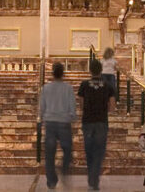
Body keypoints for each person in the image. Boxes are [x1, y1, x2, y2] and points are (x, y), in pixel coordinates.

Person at [77, 58, 116, 191]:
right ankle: (95, 180)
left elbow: (81, 105)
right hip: (101, 122)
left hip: (87, 121)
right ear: (101, 70)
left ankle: (91, 179)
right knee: (99, 151)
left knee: (89, 151)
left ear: (90, 70)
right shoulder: (108, 85)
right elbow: (112, 107)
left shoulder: (84, 85)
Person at [39, 62, 77, 189]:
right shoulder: (68, 88)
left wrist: (41, 118)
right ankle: (64, 168)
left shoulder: (46, 88)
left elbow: (42, 106)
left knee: (49, 154)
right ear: (63, 73)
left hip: (50, 122)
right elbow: (72, 106)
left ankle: (51, 180)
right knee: (67, 150)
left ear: (52, 74)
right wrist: (73, 117)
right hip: (64, 122)